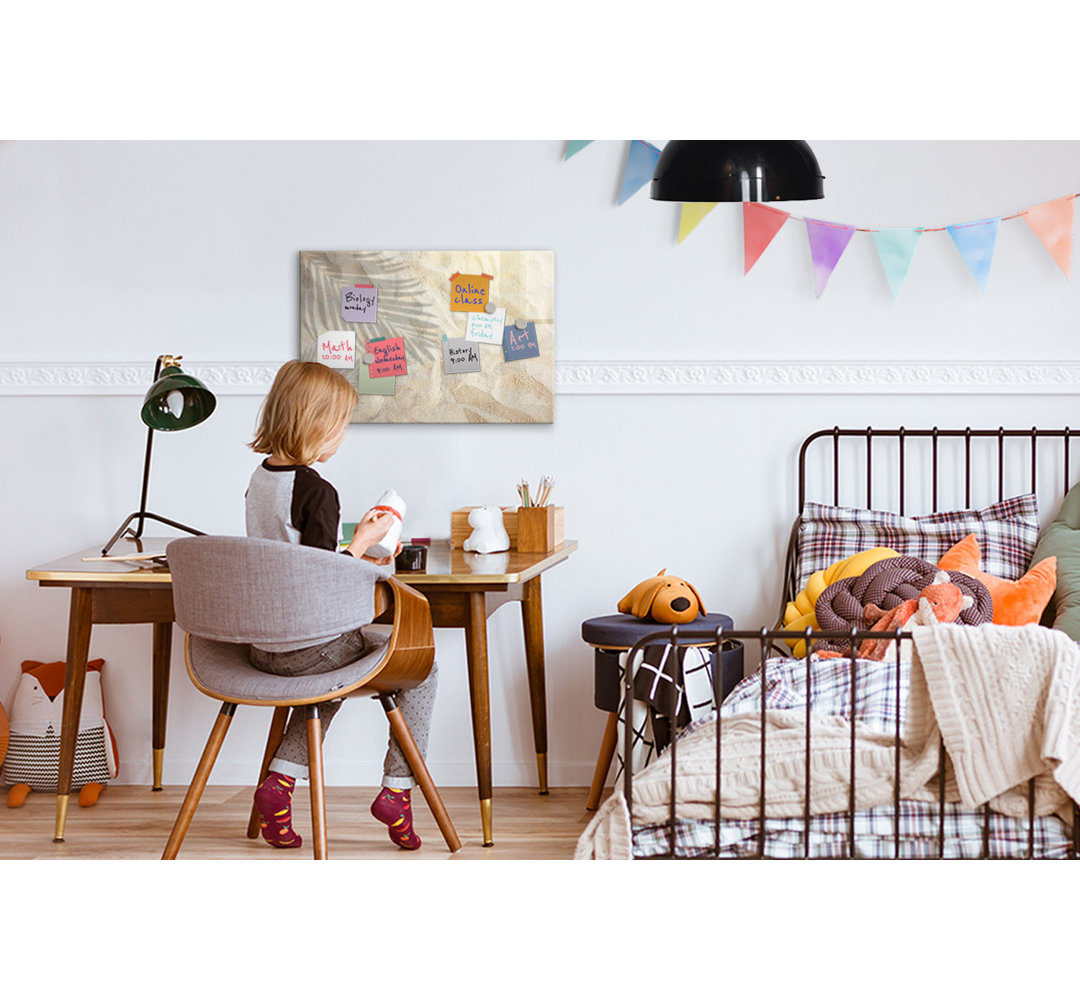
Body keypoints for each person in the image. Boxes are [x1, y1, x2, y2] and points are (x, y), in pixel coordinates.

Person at [243, 359, 437, 850]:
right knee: (420, 663)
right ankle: (398, 790)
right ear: (317, 423)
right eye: (341, 425)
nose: (342, 436)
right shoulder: (317, 490)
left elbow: (293, 556)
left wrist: (352, 543)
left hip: (263, 646)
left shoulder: (260, 481)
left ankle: (280, 784)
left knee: (331, 673)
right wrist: (366, 542)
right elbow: (321, 578)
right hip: (308, 646)